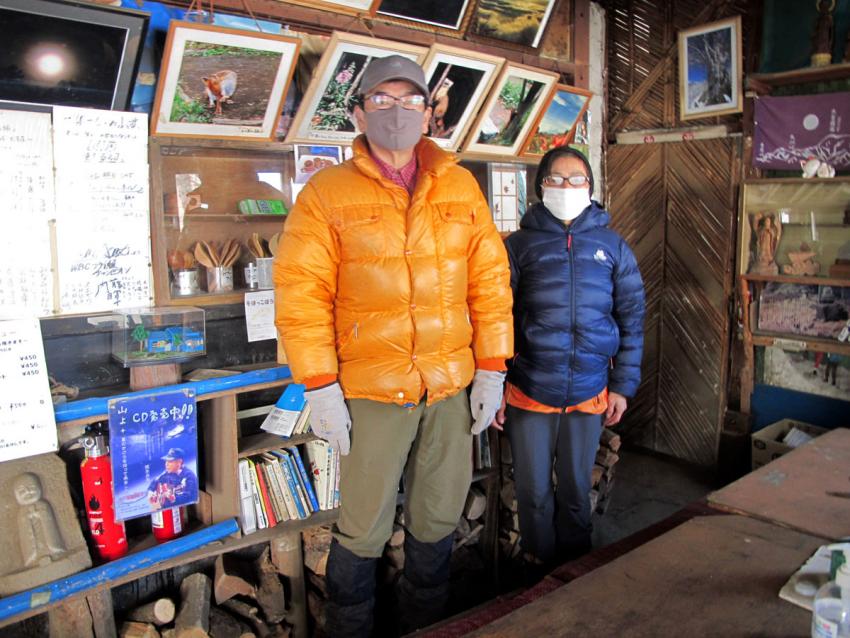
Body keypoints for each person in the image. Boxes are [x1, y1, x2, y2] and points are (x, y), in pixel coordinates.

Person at [274, 55, 513, 637]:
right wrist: (320, 385)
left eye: (410, 101)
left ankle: (426, 622)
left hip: (450, 383)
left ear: (430, 114)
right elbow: (301, 293)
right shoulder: (326, 192)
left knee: (437, 514)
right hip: (371, 388)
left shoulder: (459, 185)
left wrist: (491, 367)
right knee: (362, 523)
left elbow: (489, 280)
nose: (397, 112)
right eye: (382, 100)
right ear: (358, 113)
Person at [496, 146, 645, 576]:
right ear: (540, 186)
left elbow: (632, 318)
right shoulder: (518, 246)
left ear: (590, 188)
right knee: (533, 490)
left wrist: (622, 387)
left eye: (575, 179)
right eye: (555, 179)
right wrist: (496, 384)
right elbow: (497, 318)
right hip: (529, 389)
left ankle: (576, 571)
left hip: (590, 389)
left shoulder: (613, 246)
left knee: (578, 488)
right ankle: (537, 567)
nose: (566, 187)